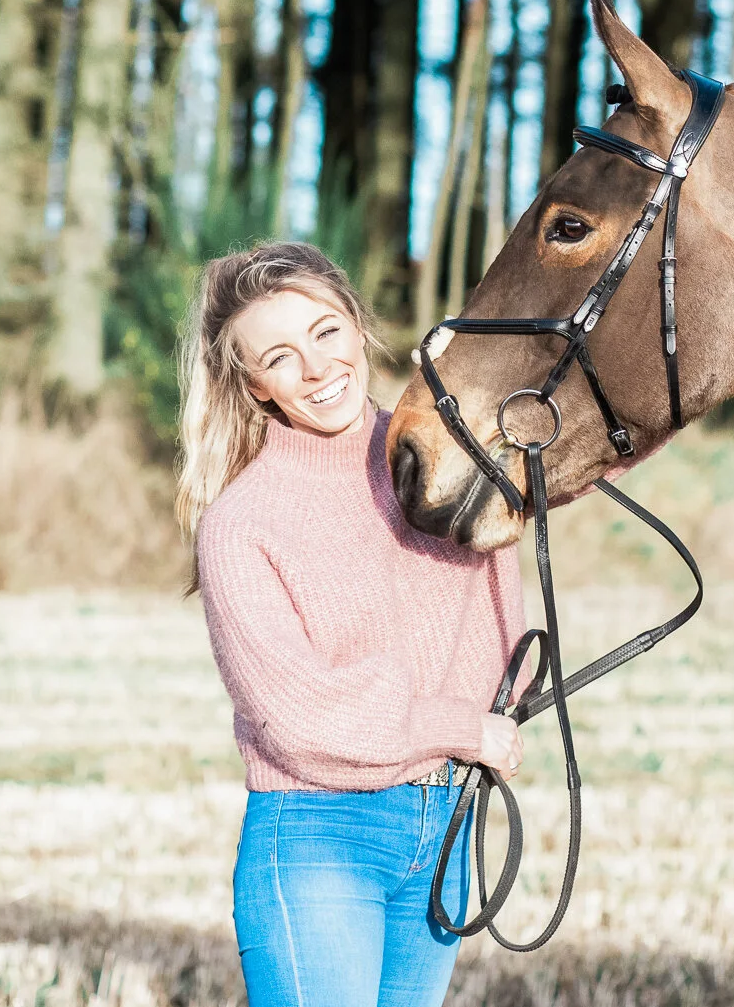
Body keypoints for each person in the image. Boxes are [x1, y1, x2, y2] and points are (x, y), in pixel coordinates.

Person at [177, 241, 528, 1007]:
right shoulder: (243, 524)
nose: (316, 366)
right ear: (255, 387)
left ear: (358, 326)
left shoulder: (446, 456)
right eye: (280, 355)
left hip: (447, 825)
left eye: (326, 331)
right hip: (320, 834)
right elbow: (300, 717)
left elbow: (583, 451)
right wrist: (463, 727)